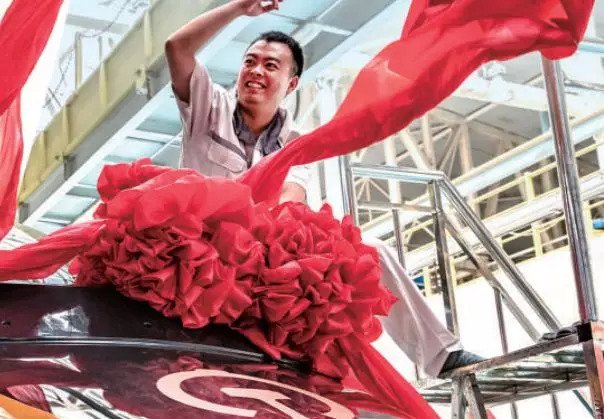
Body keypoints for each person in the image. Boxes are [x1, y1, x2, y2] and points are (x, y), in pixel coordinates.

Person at [165, 0, 482, 378]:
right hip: (199, 255)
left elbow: (291, 203)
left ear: (291, 84)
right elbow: (176, 47)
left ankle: (442, 357)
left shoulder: (298, 143)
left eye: (271, 65)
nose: (256, 71)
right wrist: (237, 8)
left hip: (259, 259)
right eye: (250, 61)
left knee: (371, 252)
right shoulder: (208, 108)